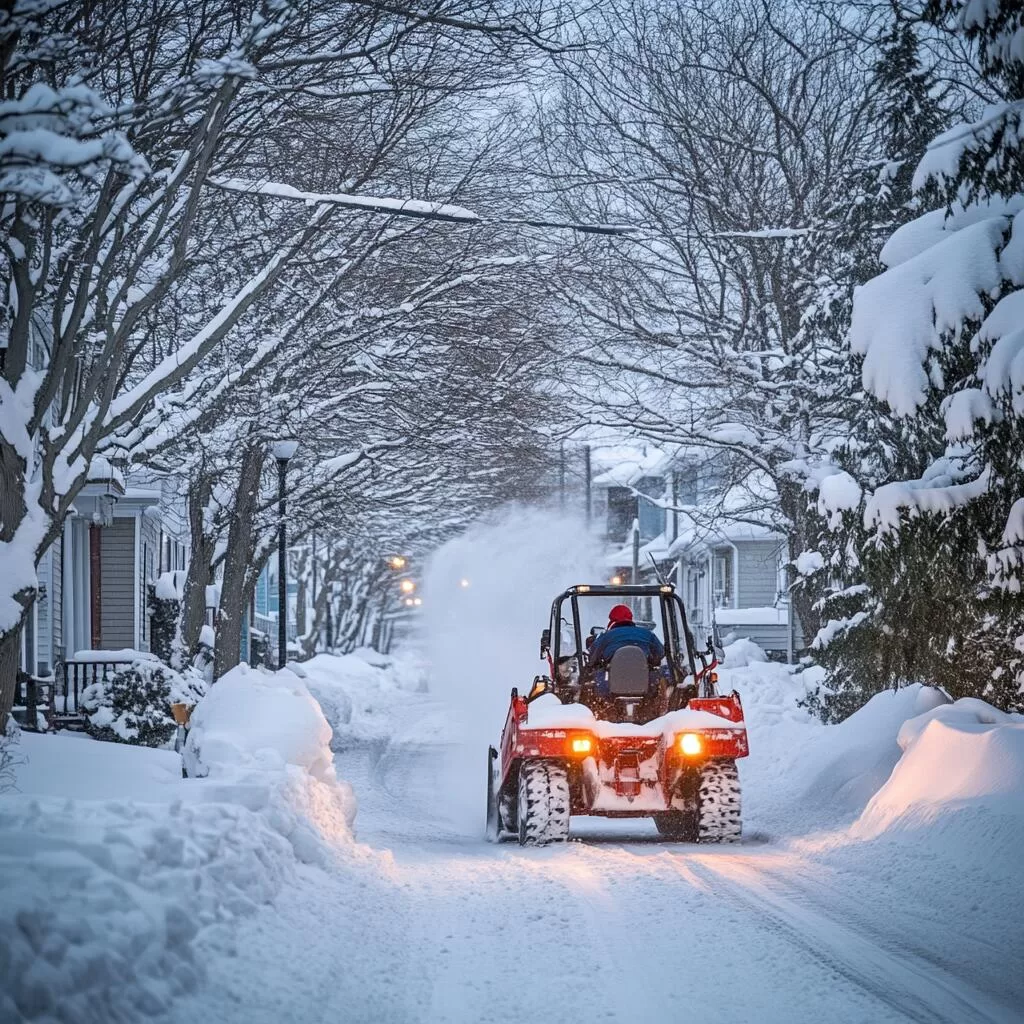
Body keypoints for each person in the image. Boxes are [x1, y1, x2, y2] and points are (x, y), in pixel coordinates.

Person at [587, 604, 664, 670]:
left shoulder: (607, 635)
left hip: (612, 677)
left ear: (613, 621)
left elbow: (593, 656)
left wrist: (591, 666)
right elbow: (660, 653)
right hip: (644, 675)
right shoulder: (647, 634)